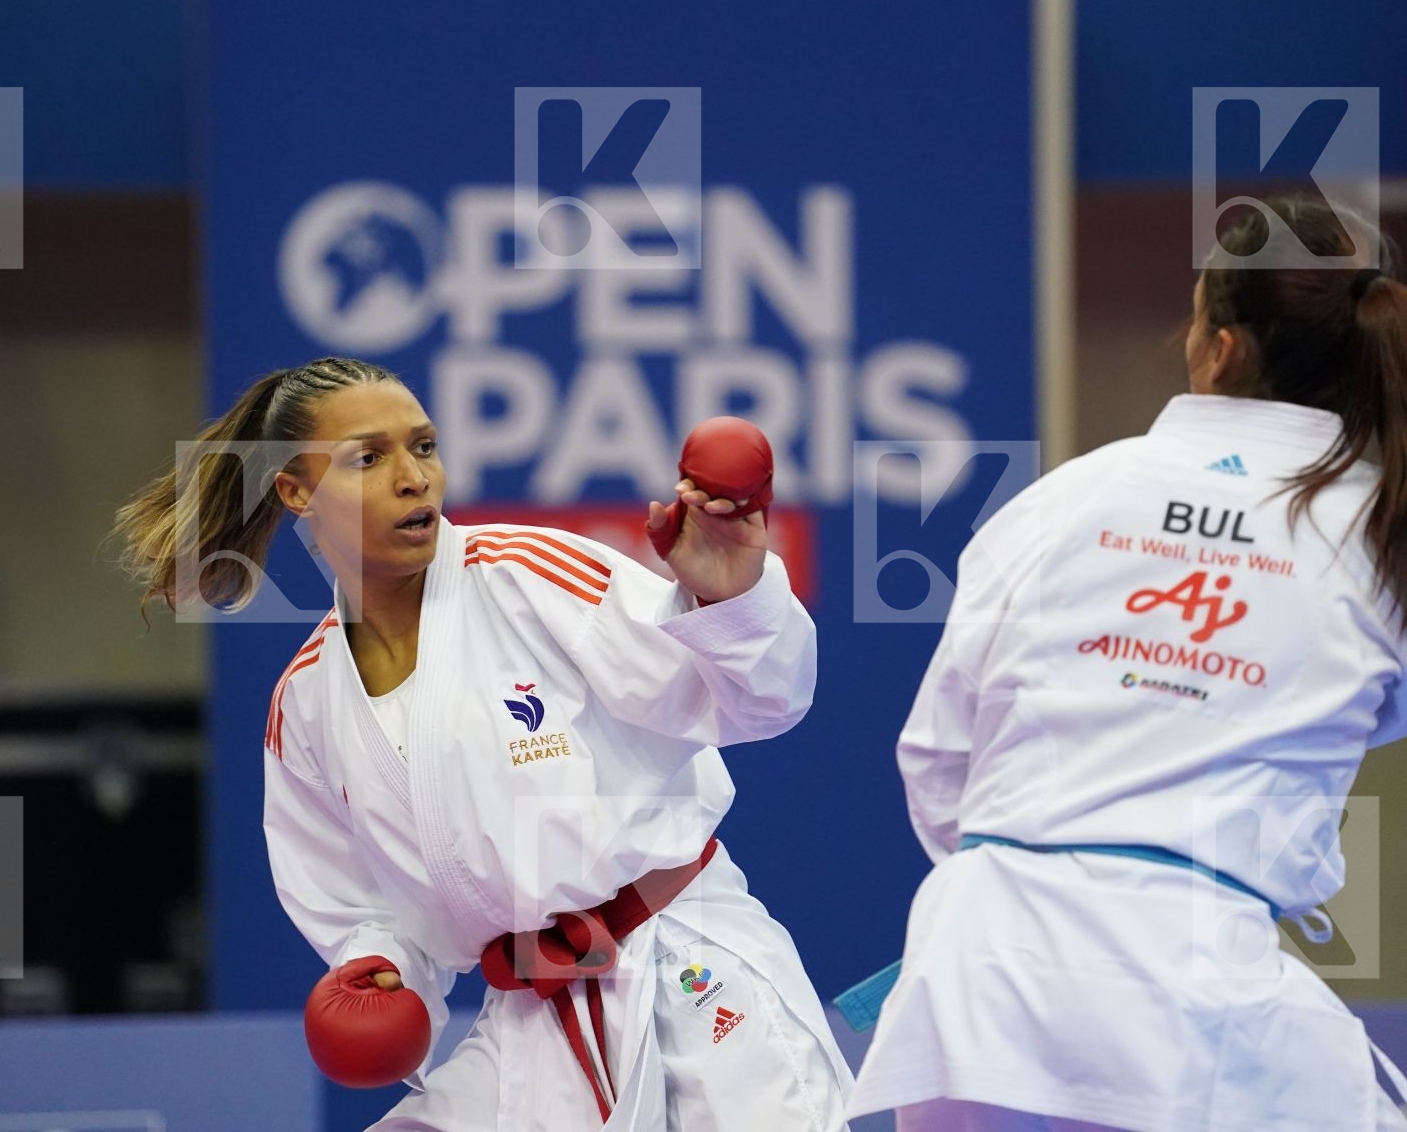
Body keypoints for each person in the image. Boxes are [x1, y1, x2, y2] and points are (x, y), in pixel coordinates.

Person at [112, 356, 852, 1131]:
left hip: (688, 972)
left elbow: (762, 702)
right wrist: (379, 969)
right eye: (369, 458)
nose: (414, 479)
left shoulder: (526, 578)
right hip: (534, 1026)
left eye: (424, 447)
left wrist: (730, 595)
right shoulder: (305, 702)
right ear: (296, 491)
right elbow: (360, 904)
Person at [849, 195, 1407, 1132]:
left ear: (1220, 349)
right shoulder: (1382, 536)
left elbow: (940, 762)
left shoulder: (1061, 500)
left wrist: (1038, 867)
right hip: (1202, 988)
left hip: (976, 985)